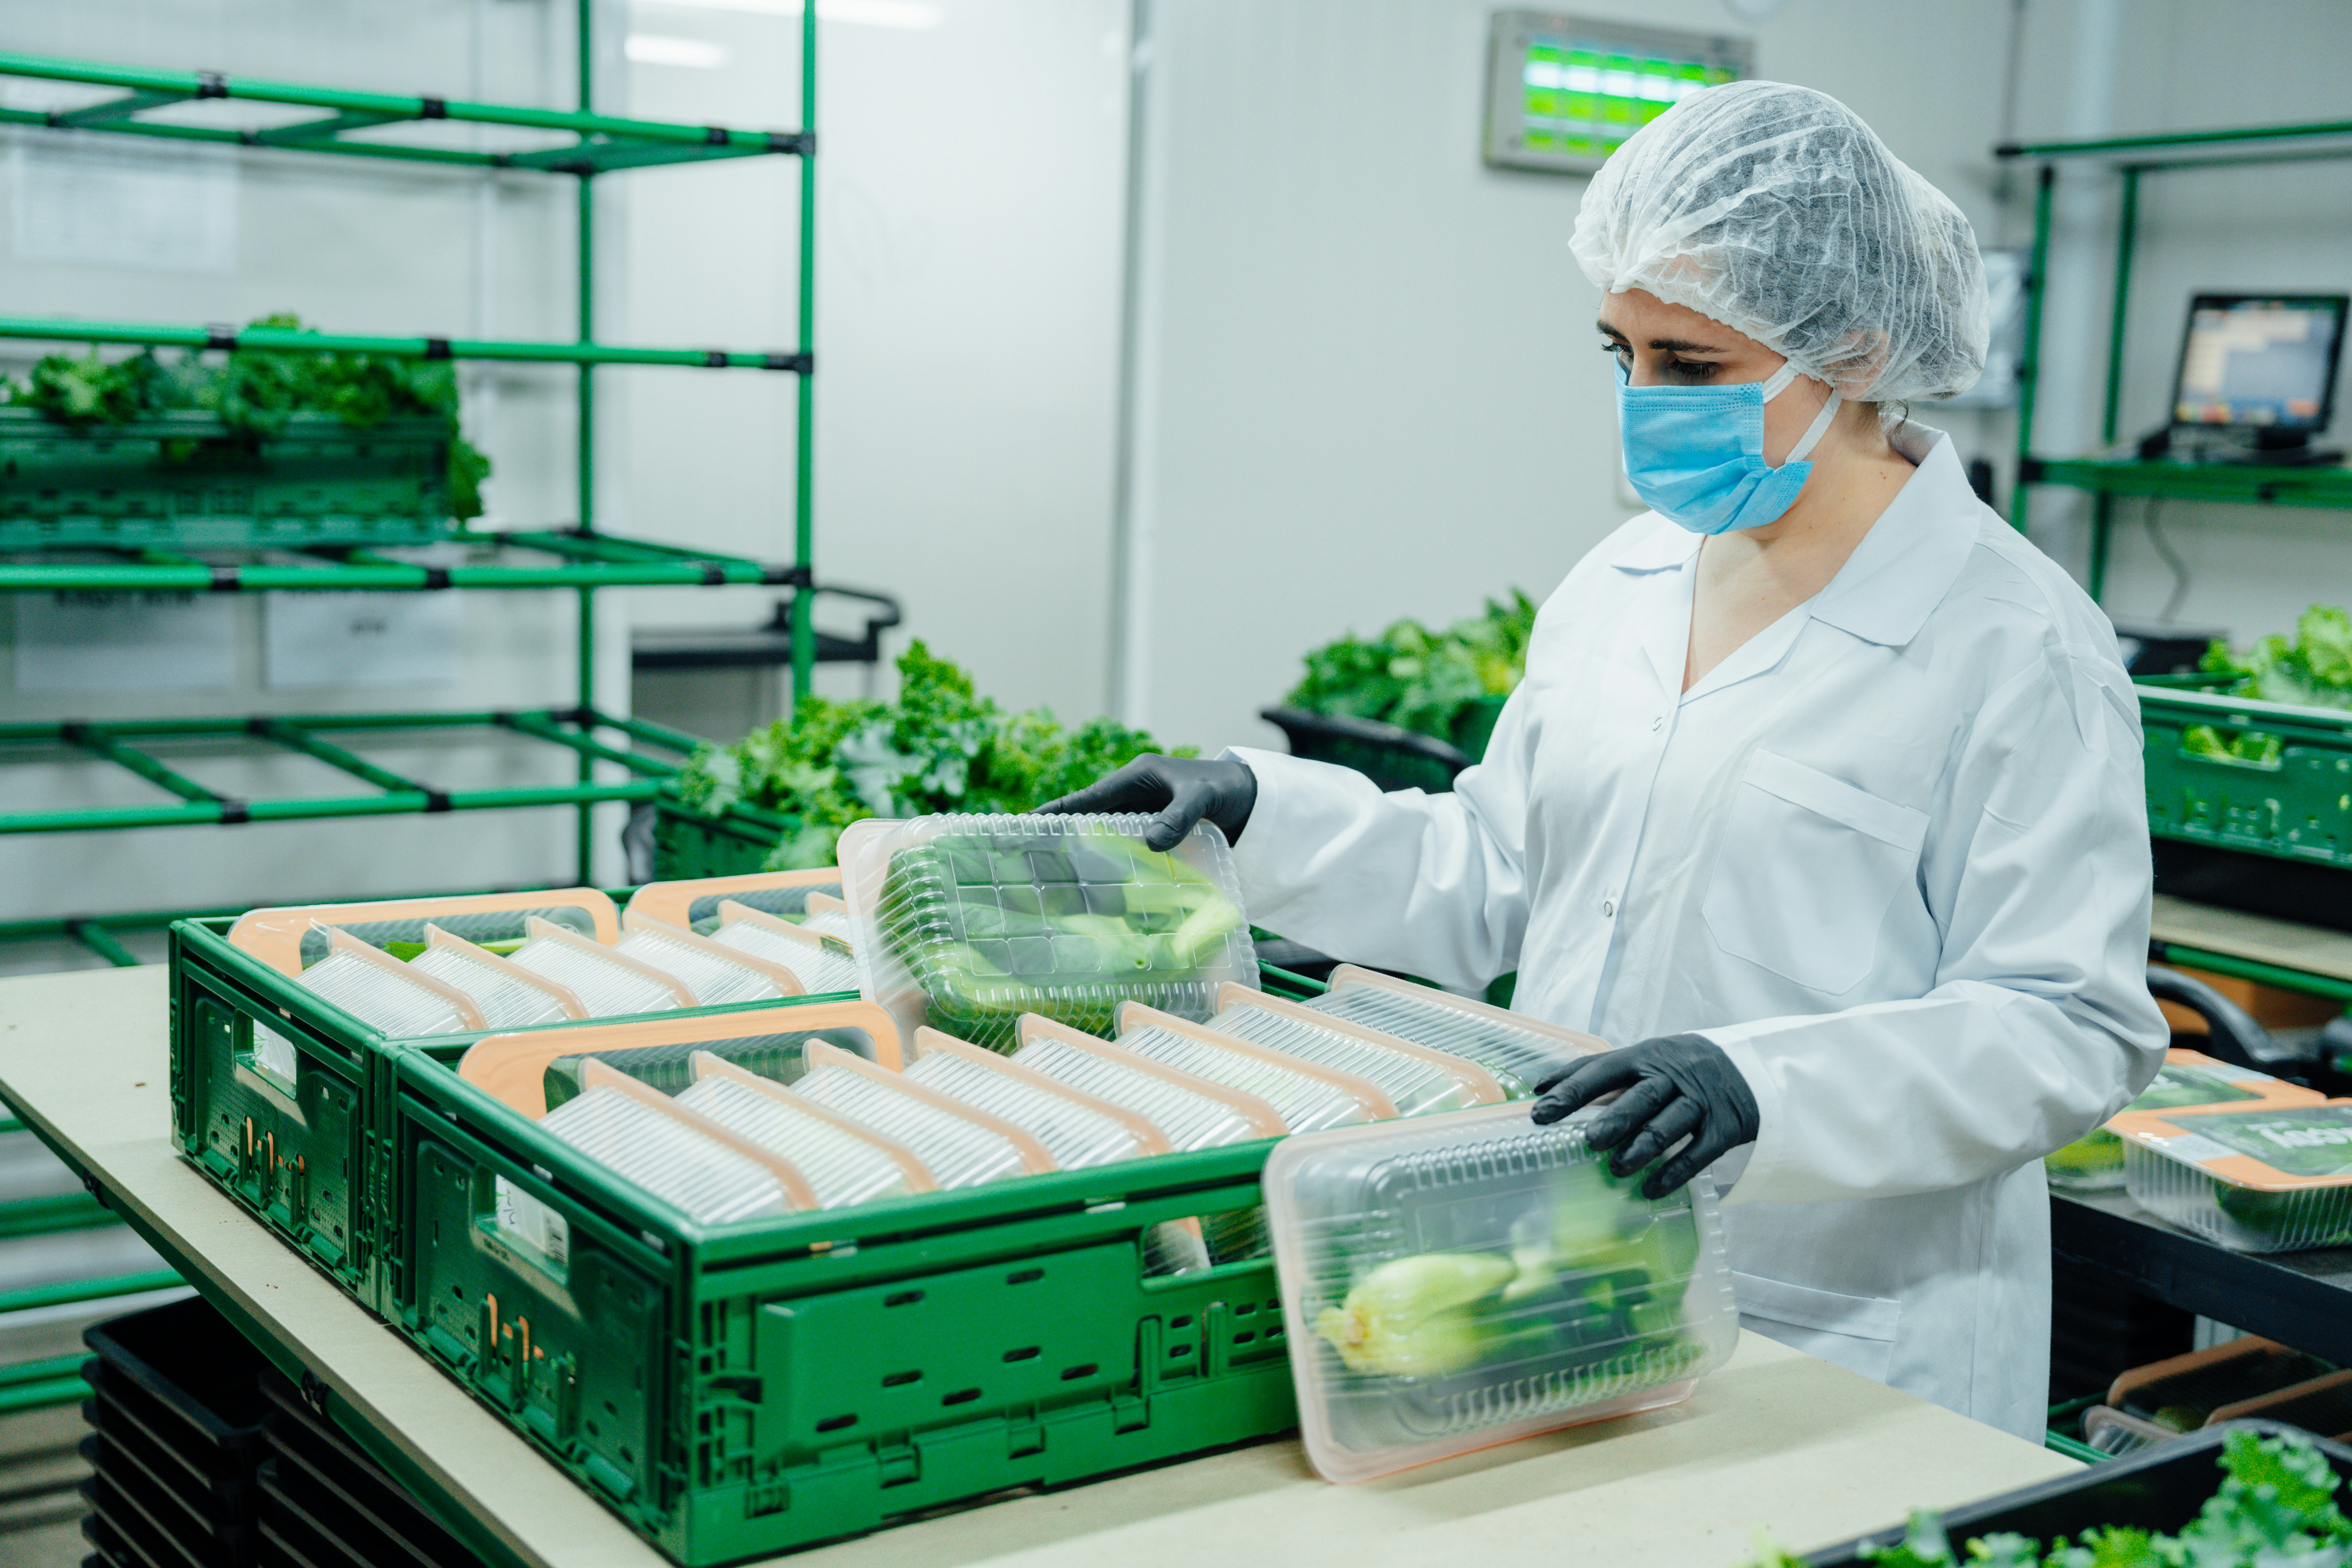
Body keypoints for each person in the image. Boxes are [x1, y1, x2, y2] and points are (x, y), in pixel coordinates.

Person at [1045, 80, 2166, 1440]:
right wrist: (1255, 810)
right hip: (1564, 1284)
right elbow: (1503, 869)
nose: (1642, 401)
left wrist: (1761, 1088)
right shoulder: (1626, 577)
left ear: (1857, 350)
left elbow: (2065, 1022)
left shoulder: (2014, 644)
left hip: (1843, 1337)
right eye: (1616, 353)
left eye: (1688, 365)